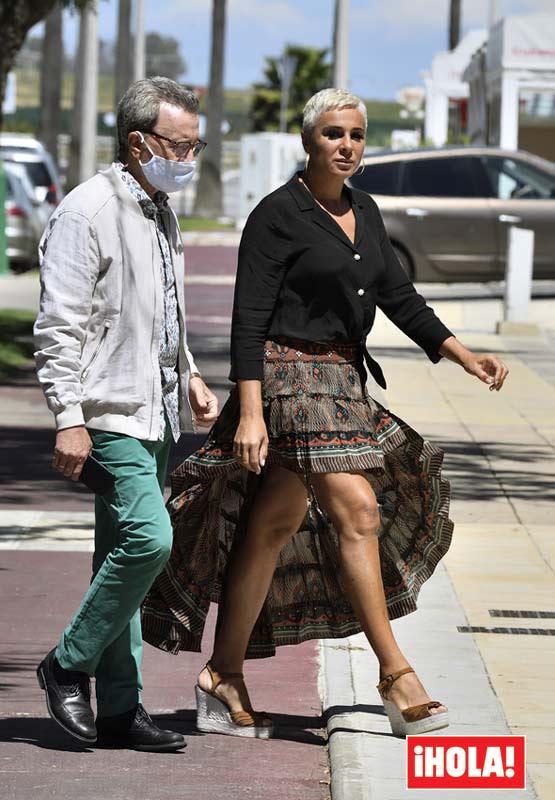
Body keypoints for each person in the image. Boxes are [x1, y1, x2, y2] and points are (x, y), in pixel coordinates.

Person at [141, 88, 509, 739]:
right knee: (358, 509)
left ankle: (222, 674)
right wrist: (249, 412)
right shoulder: (277, 214)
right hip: (285, 376)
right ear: (309, 141)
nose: (346, 145)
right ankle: (395, 674)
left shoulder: (363, 210)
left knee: (274, 518)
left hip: (341, 378)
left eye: (356, 135)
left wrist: (461, 354)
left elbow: (399, 295)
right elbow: (248, 318)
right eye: (333, 134)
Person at [33, 77, 218, 751]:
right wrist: (67, 416)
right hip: (105, 412)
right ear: (138, 142)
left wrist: (191, 376)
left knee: (120, 552)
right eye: (178, 144)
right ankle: (65, 665)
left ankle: (119, 708)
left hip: (155, 415)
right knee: (149, 541)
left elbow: (162, 312)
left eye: (196, 146)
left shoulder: (159, 209)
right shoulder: (87, 211)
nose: (188, 158)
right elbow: (58, 325)